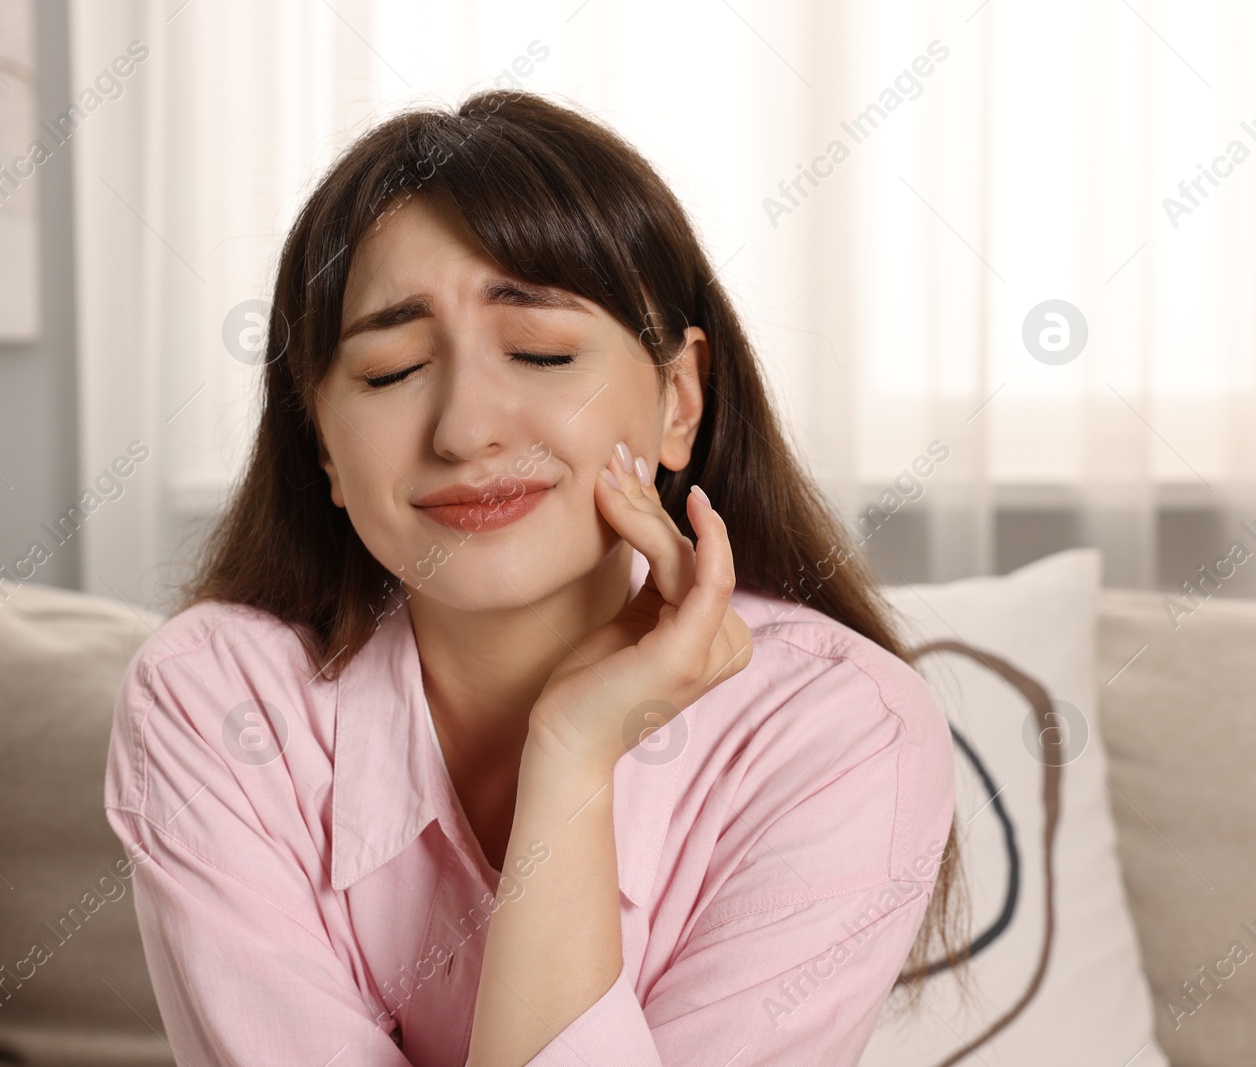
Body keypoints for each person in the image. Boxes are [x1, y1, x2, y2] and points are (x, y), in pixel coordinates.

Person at [104, 88, 966, 1066]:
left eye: (541, 352)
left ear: (678, 400)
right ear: (324, 450)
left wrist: (570, 754)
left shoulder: (846, 729)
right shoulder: (215, 699)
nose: (468, 428)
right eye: (390, 370)